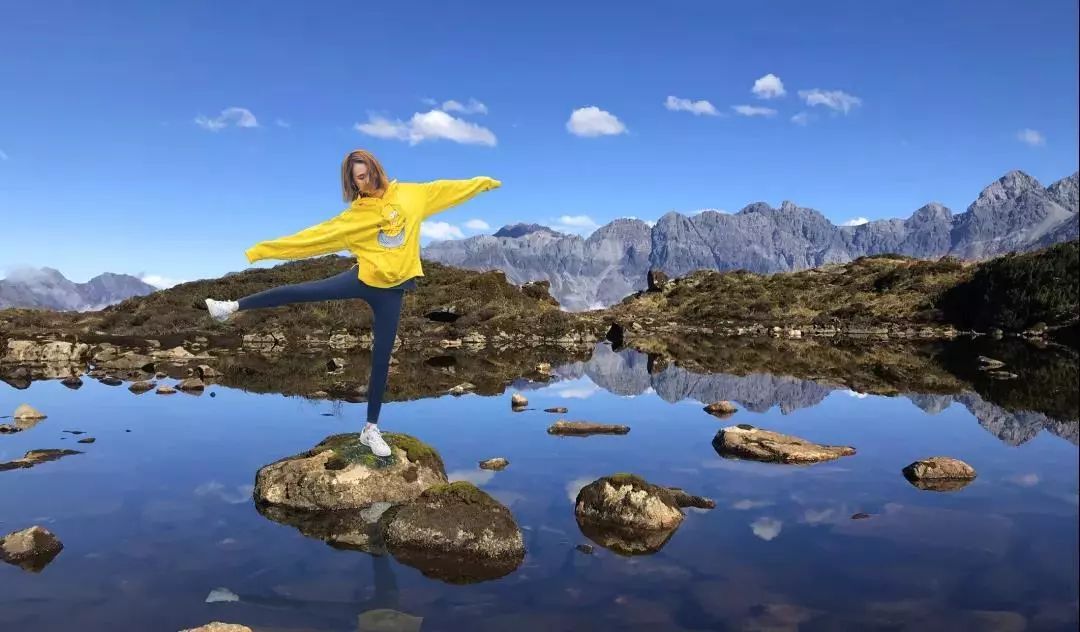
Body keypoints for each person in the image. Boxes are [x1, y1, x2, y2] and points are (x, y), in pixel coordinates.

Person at [204, 149, 500, 457]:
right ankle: (231, 307)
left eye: (368, 172)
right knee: (303, 291)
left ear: (377, 169)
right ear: (353, 184)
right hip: (362, 278)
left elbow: (448, 190)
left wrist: (481, 183)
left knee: (382, 357)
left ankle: (370, 430)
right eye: (358, 178)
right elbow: (314, 238)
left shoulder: (412, 195)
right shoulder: (356, 215)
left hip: (392, 290)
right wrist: (263, 251)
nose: (366, 180)